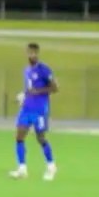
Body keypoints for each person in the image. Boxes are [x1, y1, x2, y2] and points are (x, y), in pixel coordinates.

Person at [10, 42, 59, 181]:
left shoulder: (44, 69)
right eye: (30, 52)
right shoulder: (26, 70)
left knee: (41, 138)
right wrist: (23, 96)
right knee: (19, 136)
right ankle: (22, 169)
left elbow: (55, 88)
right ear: (26, 53)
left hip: (39, 110)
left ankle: (51, 166)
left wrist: (38, 91)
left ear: (38, 53)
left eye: (34, 53)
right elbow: (29, 88)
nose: (32, 55)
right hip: (26, 108)